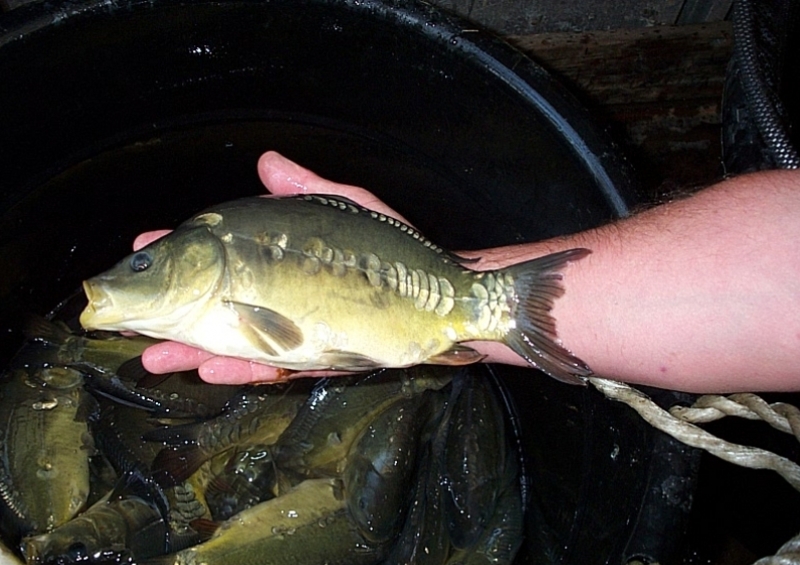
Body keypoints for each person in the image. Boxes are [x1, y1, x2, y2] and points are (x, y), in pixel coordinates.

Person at [133, 151, 800, 394]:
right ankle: (485, 309)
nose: (129, 273)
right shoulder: (219, 242)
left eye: (144, 264)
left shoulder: (219, 236)